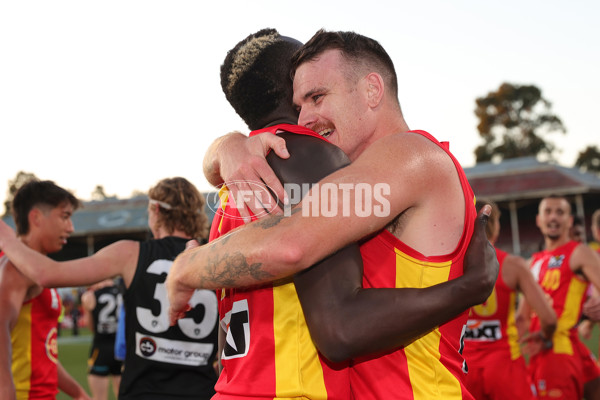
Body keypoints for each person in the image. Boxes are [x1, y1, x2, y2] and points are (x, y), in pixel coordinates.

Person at [168, 29, 499, 399]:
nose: (304, 119)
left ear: (373, 90)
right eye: (299, 104)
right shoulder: (341, 175)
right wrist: (227, 147)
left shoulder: (410, 157)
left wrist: (186, 267)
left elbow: (289, 245)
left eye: (316, 97)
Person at [0, 177, 218, 400]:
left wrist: (5, 236)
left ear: (156, 210)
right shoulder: (217, 259)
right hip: (203, 391)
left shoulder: (130, 253)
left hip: (144, 391)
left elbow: (48, 273)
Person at [0, 179, 90, 400]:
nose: (71, 228)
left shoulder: (37, 268)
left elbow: (41, 351)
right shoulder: (16, 269)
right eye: (65, 216)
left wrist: (78, 393)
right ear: (36, 218)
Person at [462, 199, 556, 400]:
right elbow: (548, 319)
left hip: (463, 369)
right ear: (495, 226)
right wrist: (545, 337)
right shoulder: (514, 265)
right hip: (505, 366)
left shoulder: (449, 266)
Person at [525, 195, 600, 399]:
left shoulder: (578, 253)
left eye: (560, 212)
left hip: (559, 351)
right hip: (543, 350)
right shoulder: (533, 262)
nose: (554, 217)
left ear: (569, 221)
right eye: (548, 212)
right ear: (539, 220)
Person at [80, 279, 123, 400]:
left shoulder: (90, 296)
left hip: (101, 349)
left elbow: (91, 326)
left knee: (99, 397)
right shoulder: (124, 291)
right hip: (122, 349)